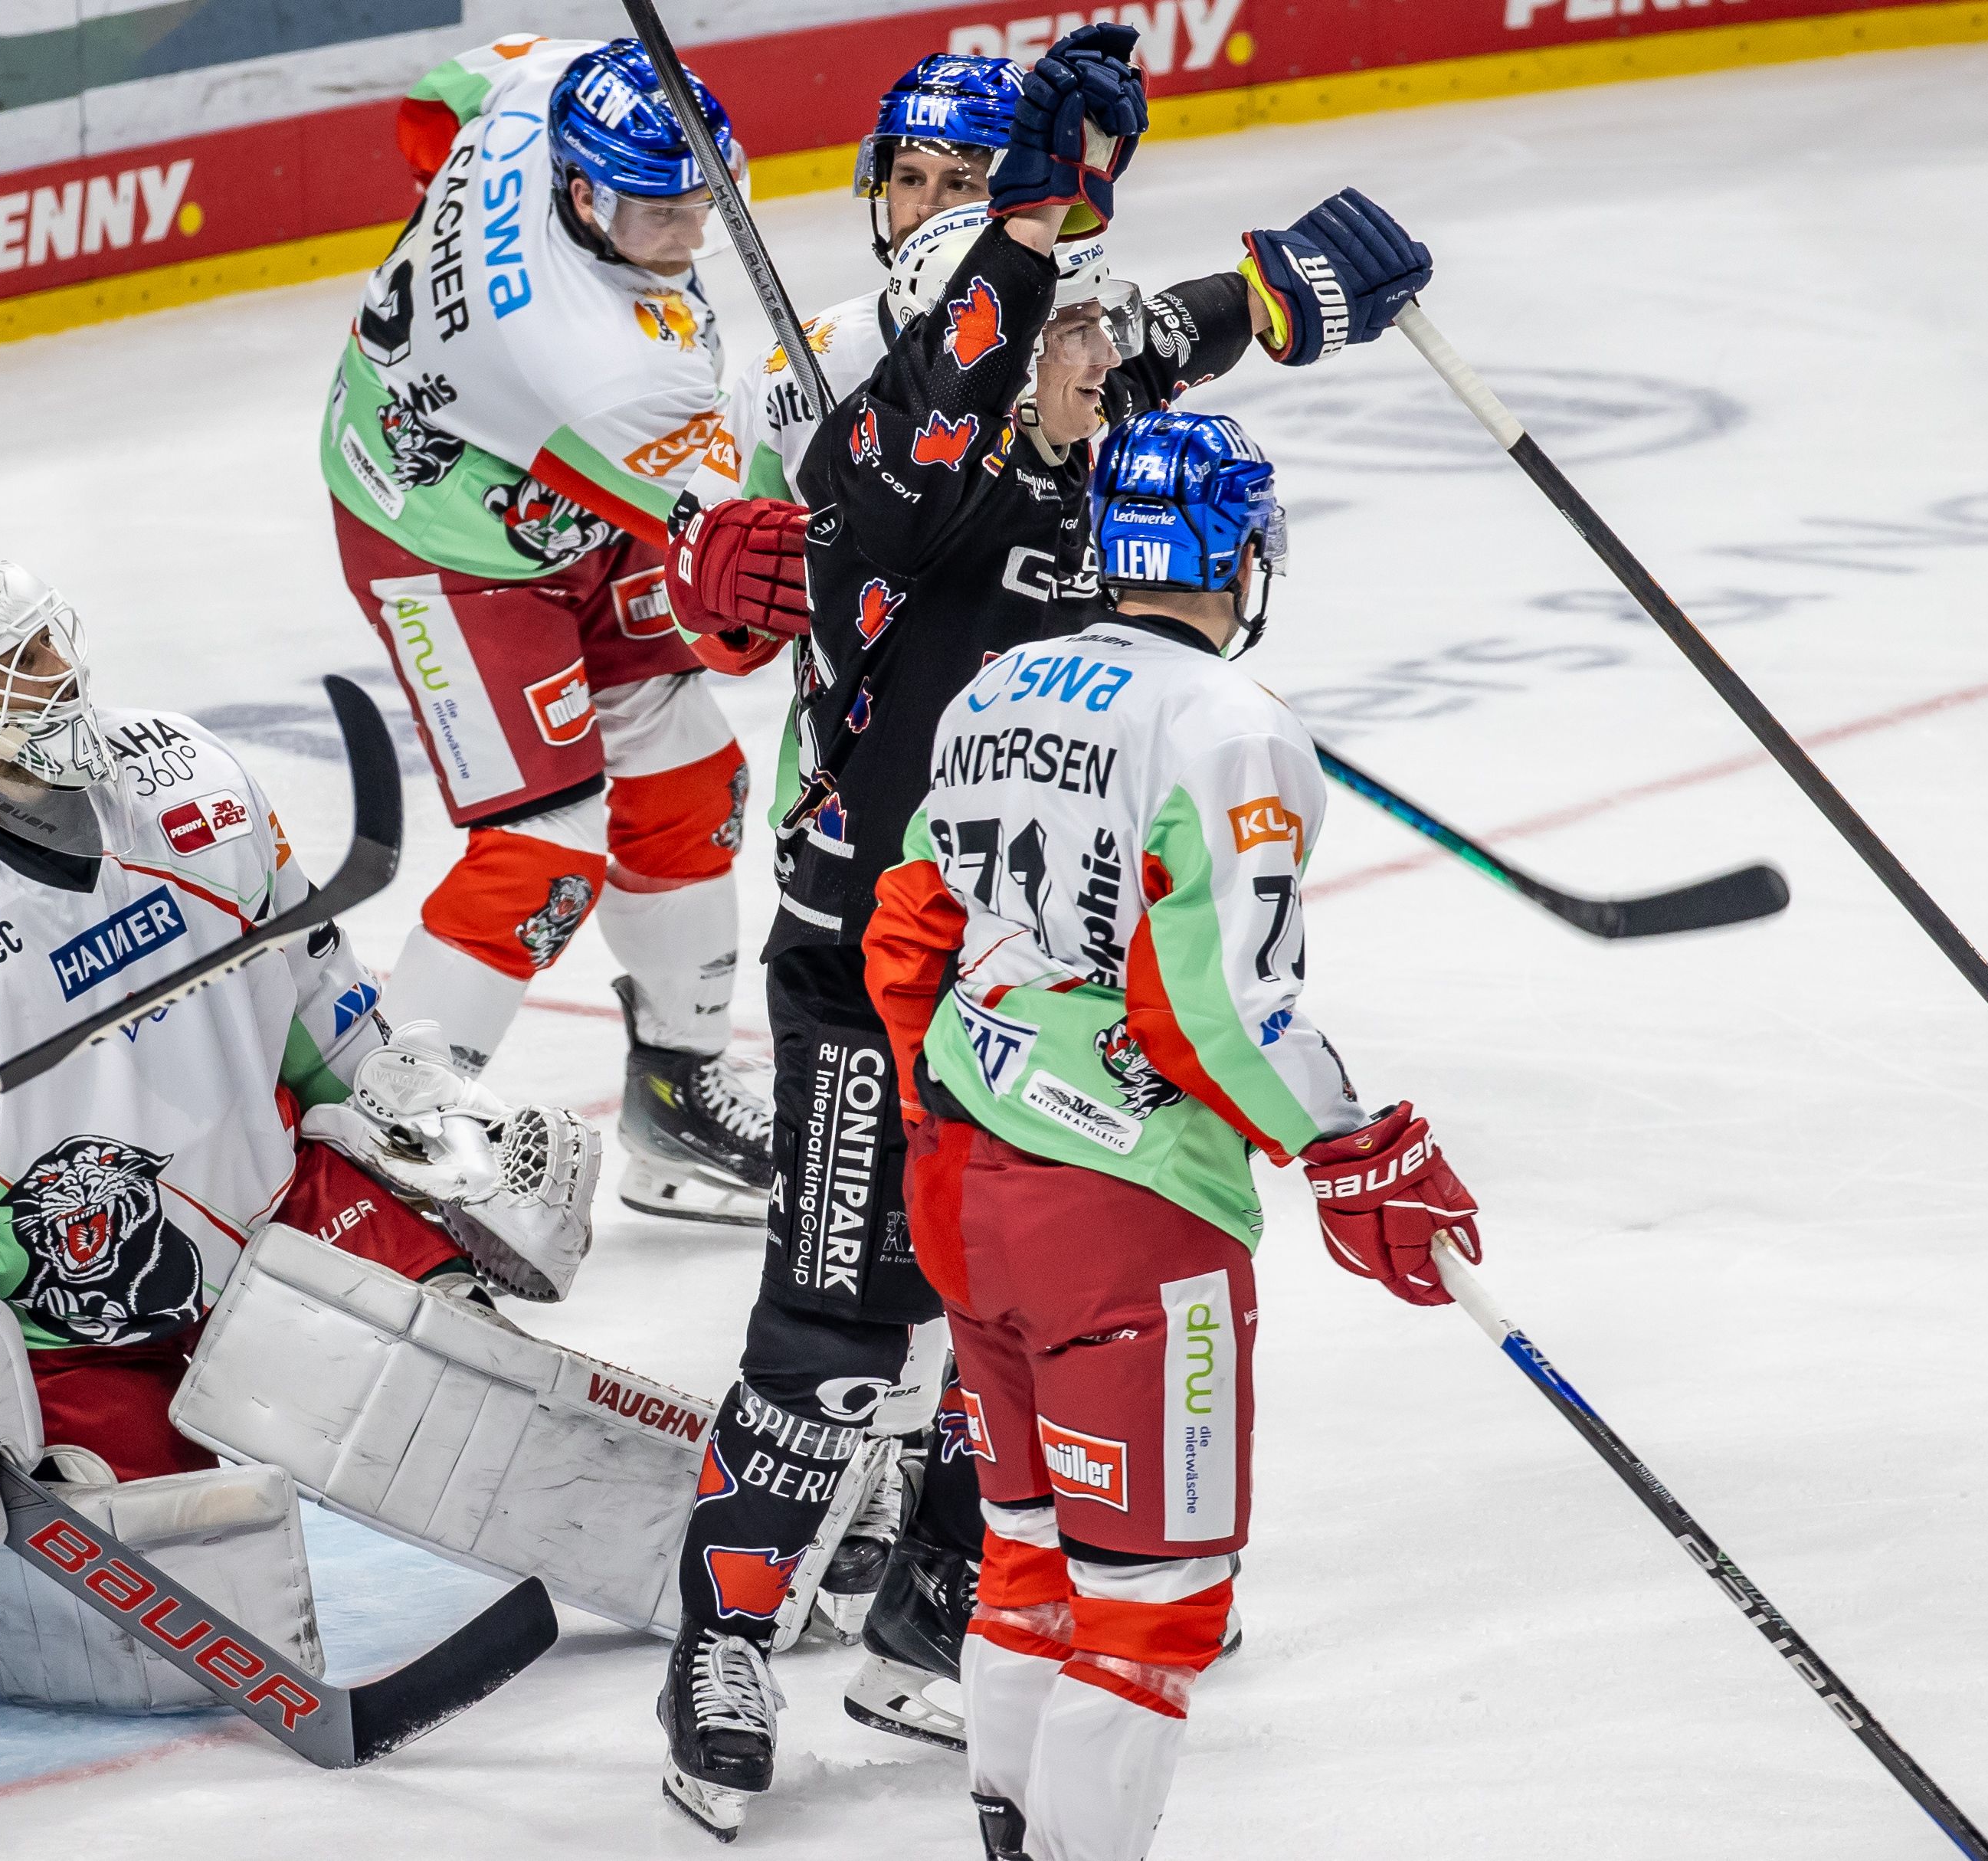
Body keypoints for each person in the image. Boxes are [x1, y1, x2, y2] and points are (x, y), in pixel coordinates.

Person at [654, 21, 1439, 1835]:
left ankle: (938, 1608)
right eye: (1057, 331)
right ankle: (724, 1634)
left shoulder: (1076, 413)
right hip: (867, 952)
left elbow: (1159, 331)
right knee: (841, 1325)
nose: (1102, 352)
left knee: (1002, 1301)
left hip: (1019, 973)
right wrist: (1024, 225)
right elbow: (964, 364)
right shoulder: (891, 473)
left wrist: (1288, 295)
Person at [862, 408, 1484, 1860]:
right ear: (1244, 557)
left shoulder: (997, 685)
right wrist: (1354, 1145)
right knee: (1151, 1608)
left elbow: (909, 926)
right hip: (1125, 1219)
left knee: (1029, 1557)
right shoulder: (1228, 726)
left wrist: (950, 1113)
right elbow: (1213, 1008)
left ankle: (1012, 1836)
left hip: (965, 1182)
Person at [0, 560, 591, 1486]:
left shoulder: (189, 776)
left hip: (283, 1226)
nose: (58, 668)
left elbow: (315, 1000)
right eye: (18, 660)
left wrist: (418, 1127)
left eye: (49, 640)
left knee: (487, 1395)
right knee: (161, 1541)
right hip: (56, 1332)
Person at [326, 33, 810, 1226]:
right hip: (447, 546)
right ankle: (389, 1152)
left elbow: (433, 101)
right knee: (542, 848)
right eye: (658, 212)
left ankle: (680, 1101)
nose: (690, 233)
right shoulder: (590, 361)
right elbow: (741, 583)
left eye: (704, 197)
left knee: (689, 783)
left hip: (559, 496)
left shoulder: (542, 86)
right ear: (583, 195)